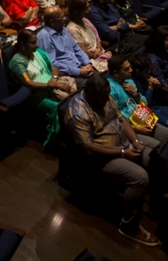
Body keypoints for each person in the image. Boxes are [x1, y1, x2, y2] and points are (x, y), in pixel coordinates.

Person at [64, 73, 161, 246]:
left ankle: (153, 206)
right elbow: (89, 149)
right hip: (102, 157)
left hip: (123, 143)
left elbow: (122, 120)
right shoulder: (78, 113)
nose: (106, 99)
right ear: (93, 95)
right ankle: (129, 226)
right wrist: (124, 153)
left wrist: (135, 141)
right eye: (103, 96)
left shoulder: (105, 97)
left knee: (157, 157)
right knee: (140, 177)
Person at [10, 29, 78, 146]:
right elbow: (28, 83)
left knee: (74, 100)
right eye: (33, 42)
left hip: (52, 87)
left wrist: (54, 79)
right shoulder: (17, 62)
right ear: (22, 44)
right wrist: (50, 84)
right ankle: (54, 141)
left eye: (36, 41)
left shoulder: (39, 52)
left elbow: (53, 68)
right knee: (58, 107)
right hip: (35, 96)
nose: (36, 45)